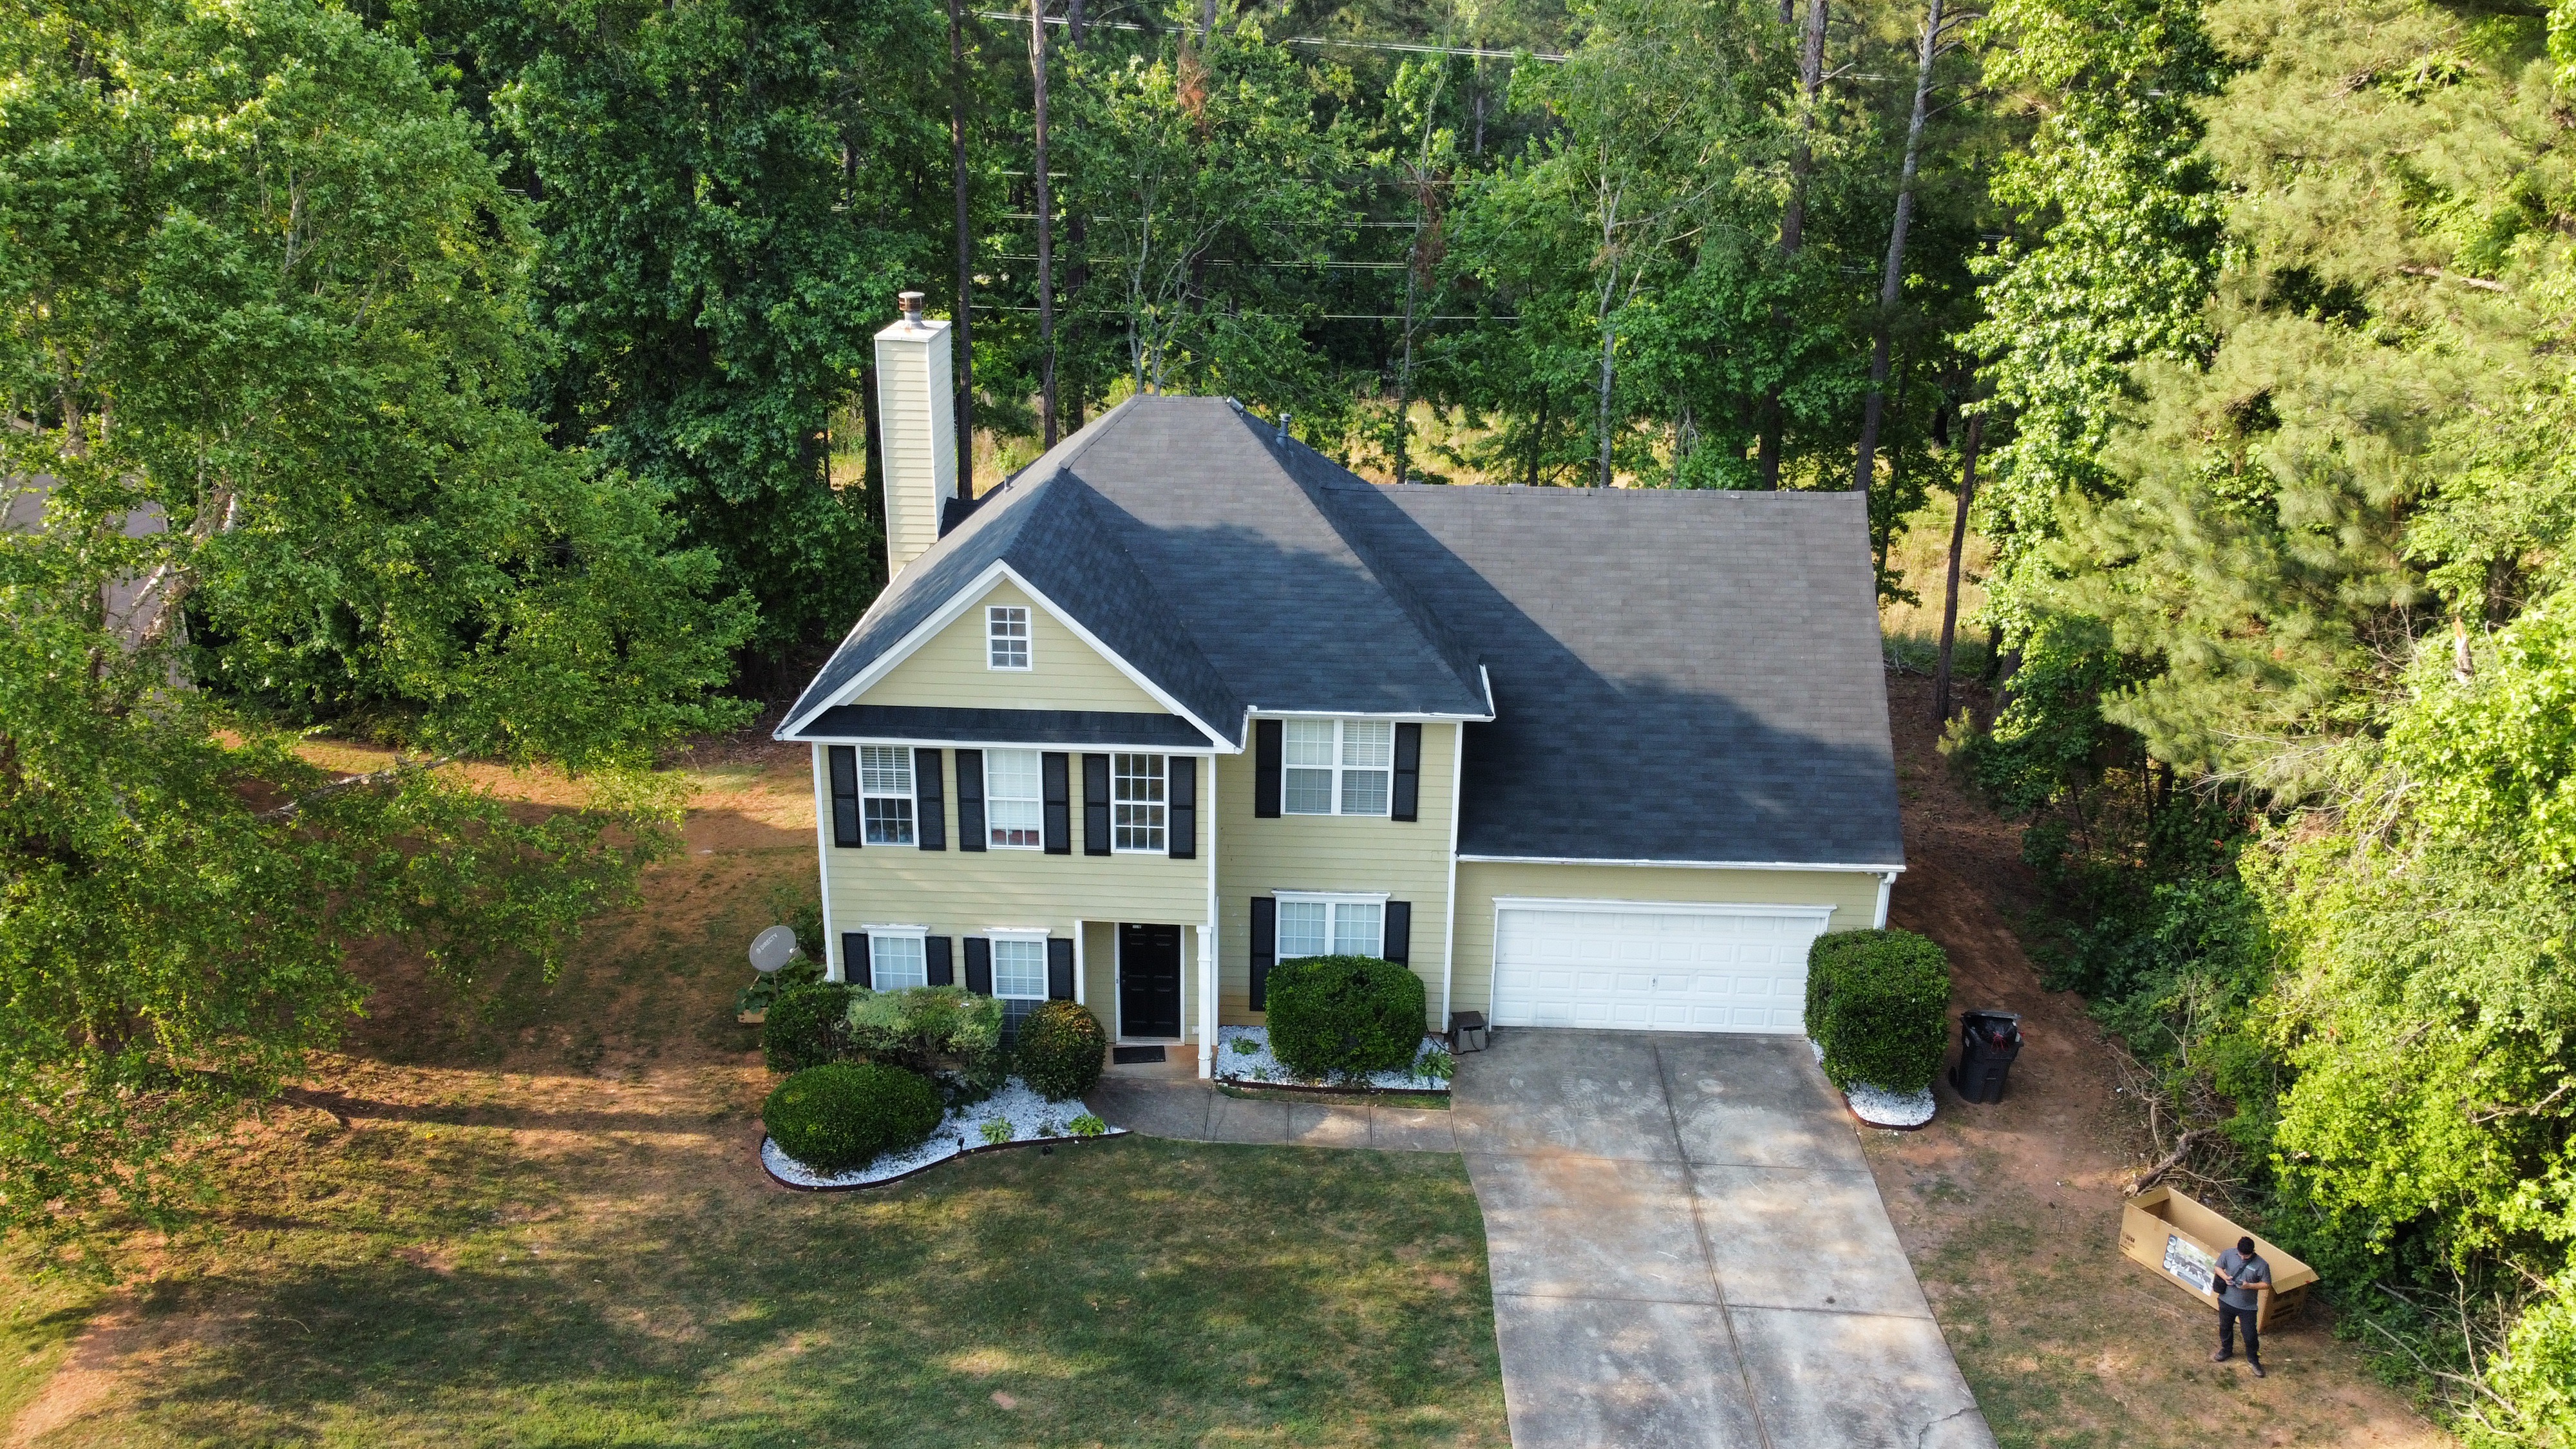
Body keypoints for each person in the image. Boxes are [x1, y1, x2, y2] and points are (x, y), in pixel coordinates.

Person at [2213, 1235, 2271, 1378]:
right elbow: (2217, 1267)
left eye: (2247, 1256)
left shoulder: (2262, 1265)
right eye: (2241, 1255)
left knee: (2250, 1335)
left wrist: (2249, 1286)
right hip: (2226, 1301)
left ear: (2253, 1252)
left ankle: (2253, 1359)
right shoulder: (2228, 1253)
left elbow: (2267, 1284)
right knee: (2225, 1328)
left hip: (2247, 1307)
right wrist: (2225, 1277)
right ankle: (2226, 1350)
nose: (2244, 1258)